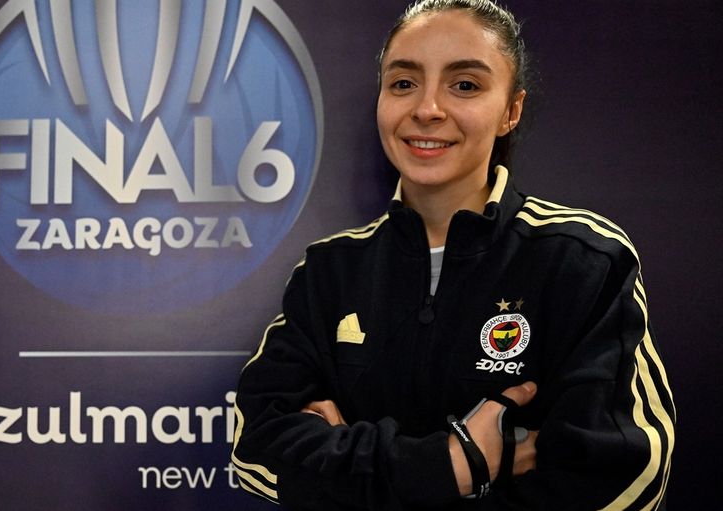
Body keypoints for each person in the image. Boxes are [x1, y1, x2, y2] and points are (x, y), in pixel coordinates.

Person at [231, 0, 675, 509]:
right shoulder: (329, 271)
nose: (427, 109)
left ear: (511, 111)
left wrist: (354, 468)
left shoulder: (583, 259)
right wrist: (450, 465)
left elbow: (625, 477)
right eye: (403, 83)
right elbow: (257, 453)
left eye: (464, 85)